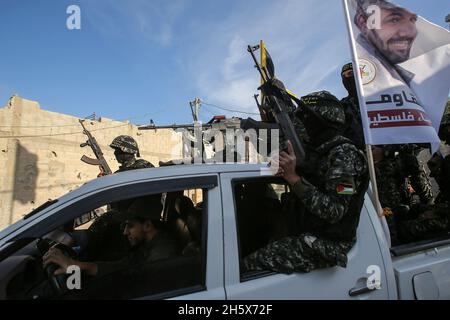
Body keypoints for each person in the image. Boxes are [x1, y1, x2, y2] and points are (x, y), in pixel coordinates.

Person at [243, 91, 369, 274]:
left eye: (305, 116)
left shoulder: (345, 154)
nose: (301, 121)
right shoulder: (313, 151)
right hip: (305, 229)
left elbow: (334, 211)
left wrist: (293, 178)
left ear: (323, 119)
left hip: (329, 244)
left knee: (245, 268)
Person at [43, 195, 178, 281]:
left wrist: (79, 267)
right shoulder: (147, 243)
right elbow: (122, 266)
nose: (125, 232)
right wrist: (79, 266)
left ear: (147, 225)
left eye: (129, 226)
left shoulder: (161, 254)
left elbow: (134, 279)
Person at [354, 0, 418, 85]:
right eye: (395, 20)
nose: (410, 33)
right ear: (363, 23)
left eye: (412, 20)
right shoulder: (359, 82)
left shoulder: (411, 83)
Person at [340, 62, 365, 149]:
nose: (347, 77)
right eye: (344, 76)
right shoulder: (342, 106)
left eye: (350, 73)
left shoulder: (378, 99)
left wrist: (385, 150)